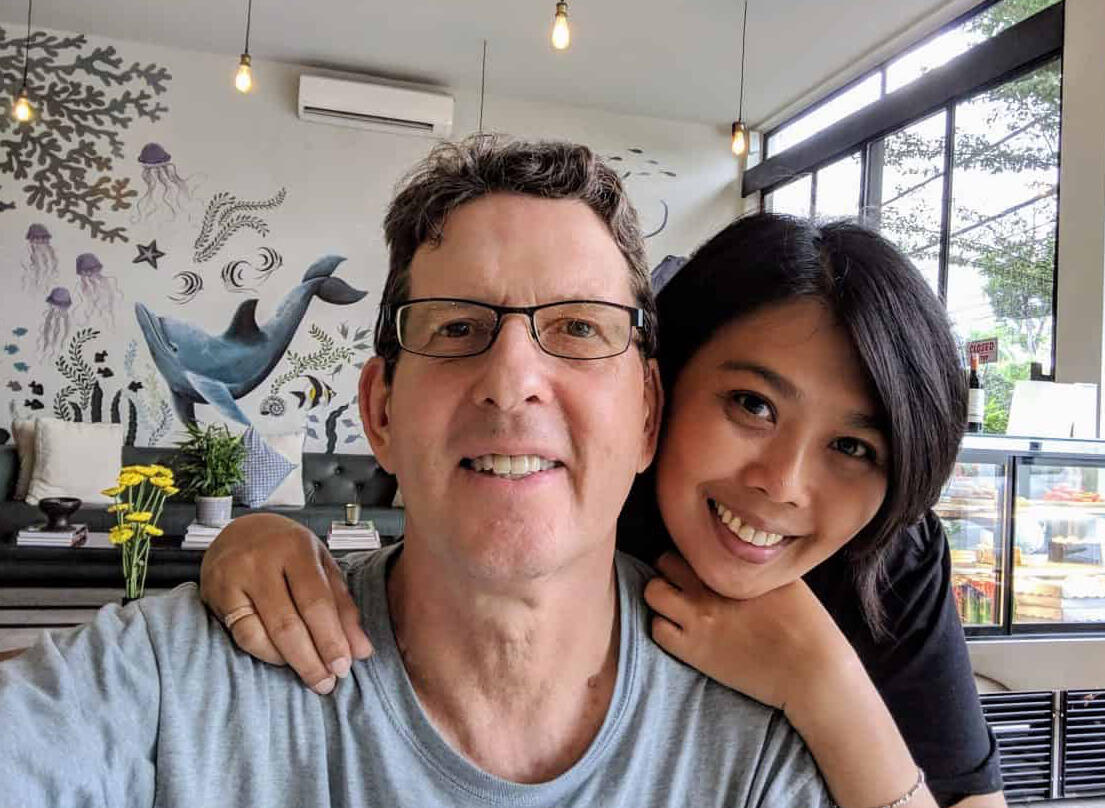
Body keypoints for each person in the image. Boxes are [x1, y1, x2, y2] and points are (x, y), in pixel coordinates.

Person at [0, 137, 833, 807]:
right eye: (456, 327)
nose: (511, 380)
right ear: (381, 412)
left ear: (647, 413)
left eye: (579, 328)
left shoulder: (756, 739)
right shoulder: (168, 683)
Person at [202, 213, 1006, 806]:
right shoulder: (574, 509)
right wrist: (253, 536)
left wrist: (822, 684)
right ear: (654, 394)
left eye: (853, 447)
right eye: (751, 405)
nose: (783, 484)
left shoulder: (889, 559)